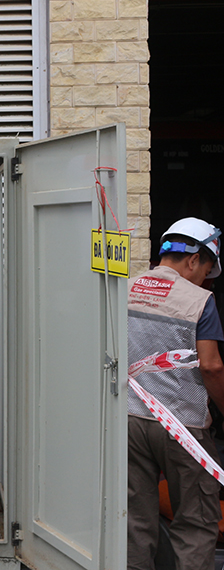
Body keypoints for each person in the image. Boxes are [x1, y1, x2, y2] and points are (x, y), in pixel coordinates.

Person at [128, 217, 224, 570]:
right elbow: (211, 366)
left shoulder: (125, 288)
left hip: (129, 419)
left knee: (134, 521)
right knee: (196, 520)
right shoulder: (199, 301)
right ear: (195, 258)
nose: (206, 280)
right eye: (208, 271)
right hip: (184, 427)